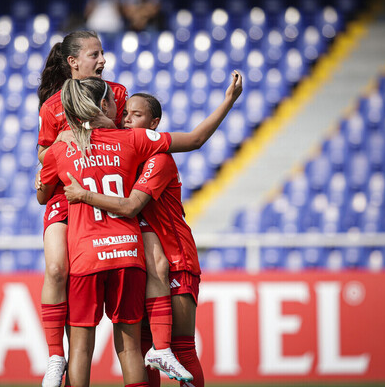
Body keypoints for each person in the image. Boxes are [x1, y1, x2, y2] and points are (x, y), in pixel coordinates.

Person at [38, 74, 241, 386]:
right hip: (133, 259)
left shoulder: (147, 157)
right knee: (137, 349)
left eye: (135, 114)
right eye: (123, 111)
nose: (126, 116)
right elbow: (193, 141)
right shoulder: (132, 143)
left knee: (92, 351)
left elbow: (47, 194)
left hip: (128, 259)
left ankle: (56, 356)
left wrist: (65, 179)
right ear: (104, 106)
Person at [36, 29, 128, 387]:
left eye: (102, 53)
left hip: (108, 198)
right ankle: (56, 357)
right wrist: (60, 142)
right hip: (67, 196)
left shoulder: (116, 94)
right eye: (94, 55)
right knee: (57, 269)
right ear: (73, 62)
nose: (102, 60)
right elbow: (44, 155)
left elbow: (128, 139)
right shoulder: (51, 106)